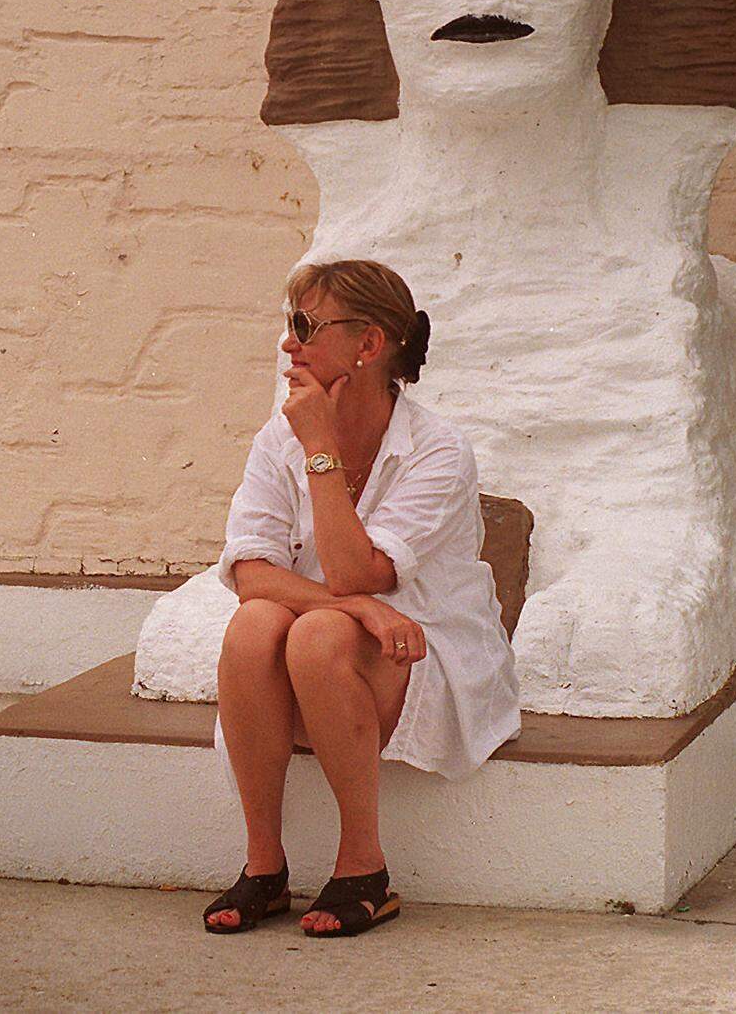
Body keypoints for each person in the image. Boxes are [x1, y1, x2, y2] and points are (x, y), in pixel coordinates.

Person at [202, 258, 520, 939]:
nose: (289, 344)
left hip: (423, 650)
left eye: (305, 325)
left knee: (313, 635)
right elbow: (250, 571)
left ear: (368, 344)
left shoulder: (438, 450)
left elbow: (355, 570)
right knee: (253, 626)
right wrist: (356, 609)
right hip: (332, 648)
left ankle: (363, 867)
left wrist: (321, 448)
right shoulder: (275, 438)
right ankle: (265, 864)